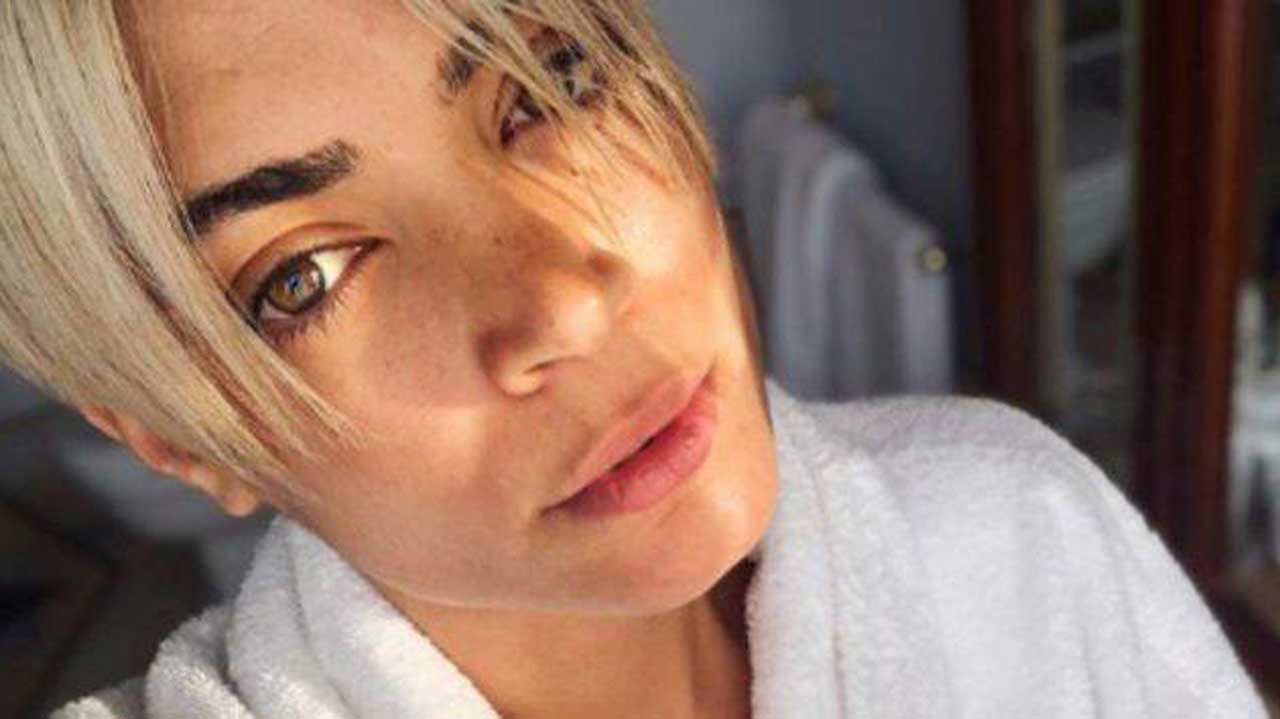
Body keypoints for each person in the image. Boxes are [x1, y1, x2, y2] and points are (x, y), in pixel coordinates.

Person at [0, 1, 1264, 717]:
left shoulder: (1014, 519)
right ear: (172, 435)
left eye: (546, 88)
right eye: (302, 277)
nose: (564, 299)